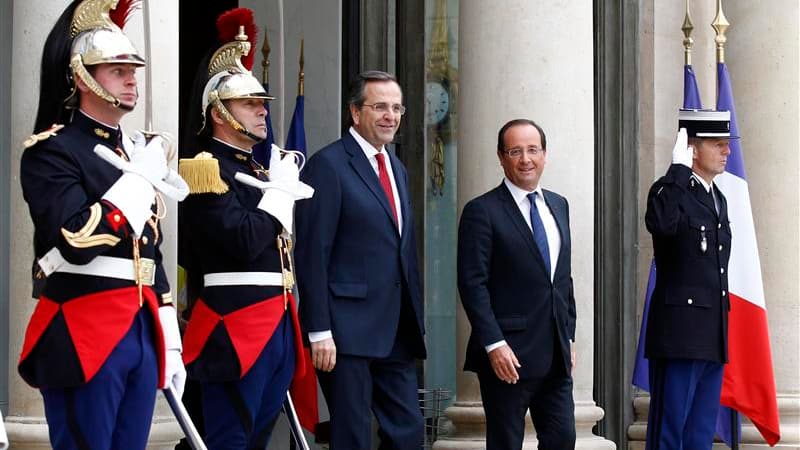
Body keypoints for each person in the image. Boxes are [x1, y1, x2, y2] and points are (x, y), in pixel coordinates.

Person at [18, 0, 187, 448]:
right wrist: (135, 185)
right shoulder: (52, 151)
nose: (131, 78)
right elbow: (75, 238)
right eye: (116, 70)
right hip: (83, 328)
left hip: (139, 326)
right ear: (82, 77)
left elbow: (151, 249)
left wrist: (167, 328)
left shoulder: (138, 151)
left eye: (133, 68)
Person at [178, 9, 314, 448]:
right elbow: (242, 240)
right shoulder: (205, 169)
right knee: (229, 438)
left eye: (261, 105)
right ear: (219, 112)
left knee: (257, 438)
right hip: (234, 322)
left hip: (276, 320)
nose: (261, 113)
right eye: (250, 104)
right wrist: (278, 194)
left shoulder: (256, 166)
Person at [295, 70, 427, 450]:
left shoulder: (397, 169)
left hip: (396, 330)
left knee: (409, 432)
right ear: (355, 112)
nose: (390, 116)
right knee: (352, 436)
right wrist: (319, 329)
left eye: (397, 107)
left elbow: (403, 252)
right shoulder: (328, 165)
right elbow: (312, 252)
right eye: (380, 107)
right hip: (345, 332)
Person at [457, 119, 577, 450]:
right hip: (507, 356)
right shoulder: (482, 211)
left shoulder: (559, 204)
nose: (526, 159)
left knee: (562, 439)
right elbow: (472, 285)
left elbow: (562, 279)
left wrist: (568, 334)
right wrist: (493, 344)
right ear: (501, 157)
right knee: (506, 443)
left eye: (532, 150)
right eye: (515, 151)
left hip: (554, 353)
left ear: (544, 154)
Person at [644, 109, 733, 450]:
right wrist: (677, 171)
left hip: (711, 332)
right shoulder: (670, 191)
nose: (727, 151)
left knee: (699, 432)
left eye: (727, 144)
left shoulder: (717, 198)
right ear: (692, 149)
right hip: (679, 333)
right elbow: (662, 224)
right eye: (718, 144)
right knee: (671, 430)